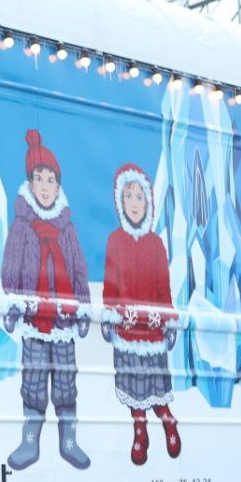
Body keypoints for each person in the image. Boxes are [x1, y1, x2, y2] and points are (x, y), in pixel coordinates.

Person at [1, 129, 92, 471]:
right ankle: (30, 442)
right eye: (37, 178)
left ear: (58, 185)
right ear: (30, 183)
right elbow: (11, 266)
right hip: (34, 320)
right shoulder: (22, 227)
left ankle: (69, 441)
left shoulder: (67, 229)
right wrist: (13, 303)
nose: (43, 185)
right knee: (34, 379)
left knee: (66, 380)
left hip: (64, 321)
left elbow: (79, 269)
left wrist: (82, 308)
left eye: (49, 178)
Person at [101, 163, 181, 465]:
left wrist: (169, 320)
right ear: (120, 202)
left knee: (157, 386)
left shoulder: (156, 244)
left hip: (153, 330)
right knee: (134, 387)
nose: (134, 203)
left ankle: (168, 422)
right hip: (127, 331)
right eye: (128, 196)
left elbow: (164, 288)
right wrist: (109, 317)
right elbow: (110, 287)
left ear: (148, 201)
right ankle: (139, 431)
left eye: (139, 196)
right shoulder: (115, 242)